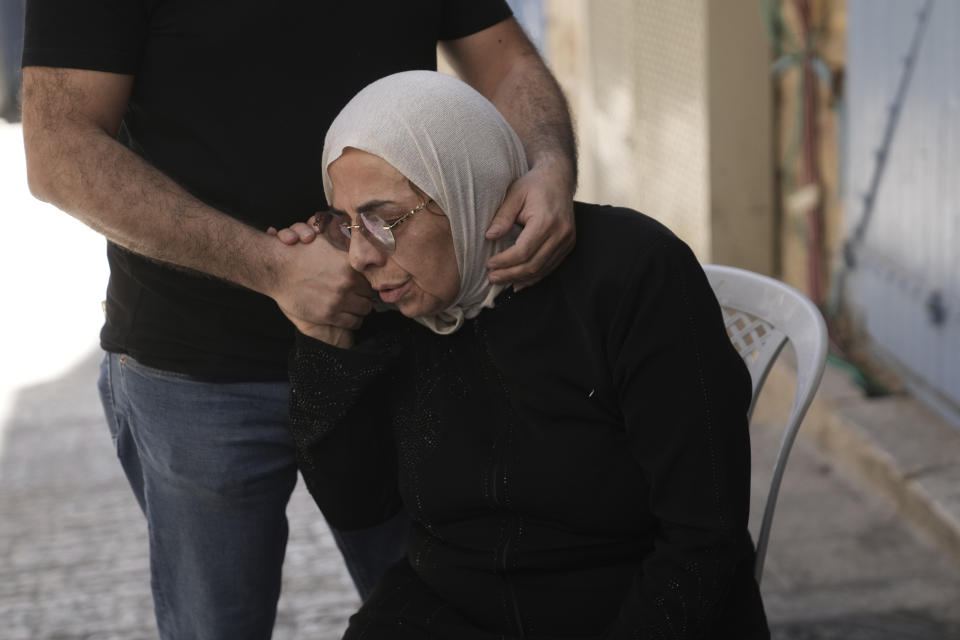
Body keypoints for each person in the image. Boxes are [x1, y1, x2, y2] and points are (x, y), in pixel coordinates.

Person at [20, 2, 577, 638]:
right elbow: (60, 145)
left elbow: (505, 61)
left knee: (452, 616)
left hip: (409, 344)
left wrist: (549, 165)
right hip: (198, 366)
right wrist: (271, 268)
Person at [283, 70, 770, 639]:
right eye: (344, 224)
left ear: (466, 187)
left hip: (631, 608)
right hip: (454, 609)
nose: (361, 254)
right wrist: (324, 341)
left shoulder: (633, 273)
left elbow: (702, 537)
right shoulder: (394, 305)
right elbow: (357, 507)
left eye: (381, 219)